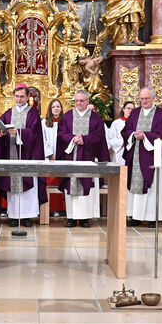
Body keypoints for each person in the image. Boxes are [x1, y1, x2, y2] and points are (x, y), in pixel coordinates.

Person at [55, 90, 110, 228]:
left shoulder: (95, 118)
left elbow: (99, 137)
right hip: (71, 156)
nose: (78, 103)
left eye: (81, 100)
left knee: (87, 186)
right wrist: (72, 138)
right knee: (71, 185)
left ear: (87, 101)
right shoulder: (67, 117)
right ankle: (71, 217)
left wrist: (85, 140)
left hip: (88, 156)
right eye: (76, 101)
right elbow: (61, 134)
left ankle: (85, 218)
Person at [122, 87, 162, 227]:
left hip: (153, 155)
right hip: (135, 154)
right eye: (141, 99)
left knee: (153, 186)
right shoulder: (135, 113)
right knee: (134, 184)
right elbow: (126, 130)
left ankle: (153, 218)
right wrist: (133, 134)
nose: (144, 101)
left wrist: (145, 136)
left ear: (153, 98)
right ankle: (135, 217)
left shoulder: (161, 114)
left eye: (146, 98)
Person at [0, 84, 47, 227]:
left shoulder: (33, 113)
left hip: (27, 154)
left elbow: (34, 133)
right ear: (13, 97)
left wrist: (18, 132)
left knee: (27, 186)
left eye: (22, 97)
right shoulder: (8, 113)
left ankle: (27, 216)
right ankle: (14, 216)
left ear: (27, 97)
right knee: (13, 186)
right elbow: (1, 128)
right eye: (17, 96)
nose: (19, 99)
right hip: (11, 154)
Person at [42, 99, 66, 217]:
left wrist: (62, 154)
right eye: (53, 107)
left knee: (63, 181)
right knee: (51, 182)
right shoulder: (44, 122)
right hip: (50, 157)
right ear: (50, 109)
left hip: (63, 156)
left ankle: (64, 208)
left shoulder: (66, 122)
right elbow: (43, 139)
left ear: (61, 109)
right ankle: (53, 208)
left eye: (58, 106)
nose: (56, 109)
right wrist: (50, 153)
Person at [106, 100, 134, 165]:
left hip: (132, 150)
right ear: (123, 109)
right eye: (128, 108)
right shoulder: (116, 123)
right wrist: (123, 142)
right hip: (120, 150)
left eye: (132, 109)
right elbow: (111, 139)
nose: (130, 110)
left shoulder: (136, 123)